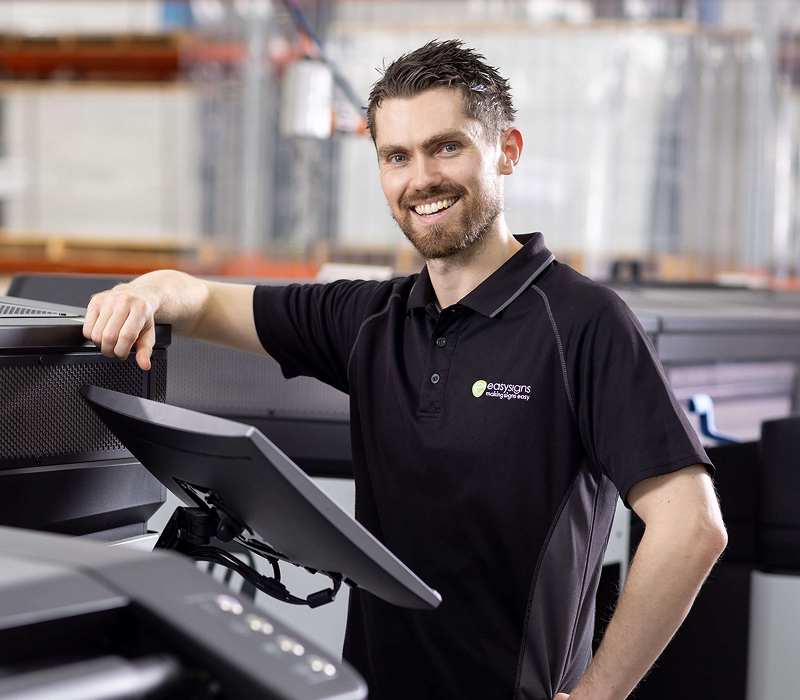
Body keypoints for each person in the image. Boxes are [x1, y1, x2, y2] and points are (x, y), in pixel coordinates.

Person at [83, 40, 727, 700]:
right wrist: (144, 293)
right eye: (397, 156)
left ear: (507, 151)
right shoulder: (370, 317)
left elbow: (691, 526)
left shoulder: (583, 323)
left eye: (446, 146)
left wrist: (600, 695)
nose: (420, 178)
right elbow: (203, 300)